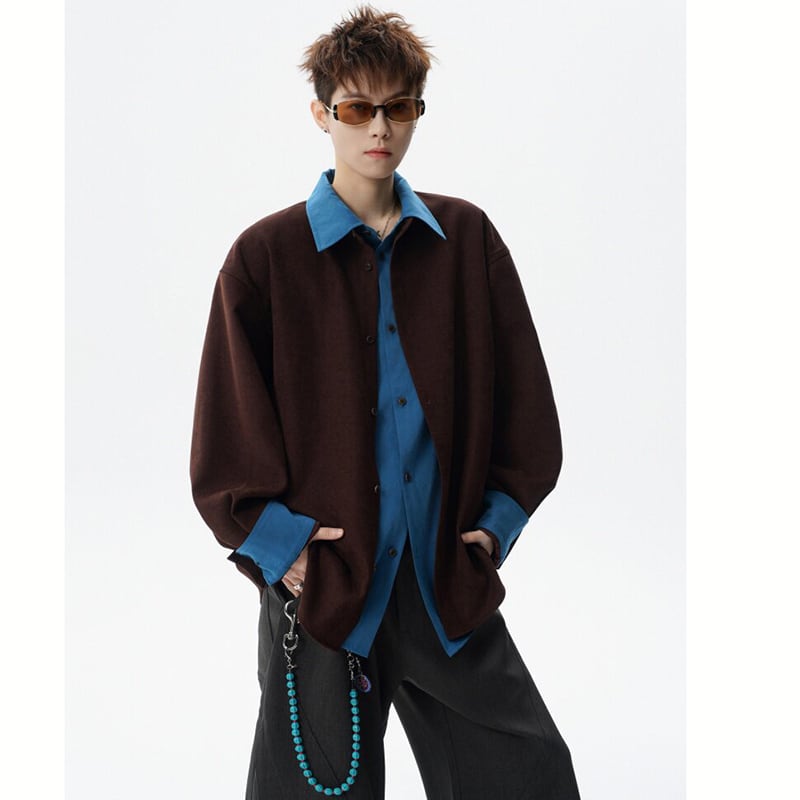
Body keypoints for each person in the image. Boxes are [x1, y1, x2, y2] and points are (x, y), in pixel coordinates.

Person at [190, 6, 581, 798]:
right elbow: (225, 439)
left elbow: (529, 416)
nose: (379, 128)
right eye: (357, 108)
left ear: (417, 111)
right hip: (326, 595)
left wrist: (493, 529)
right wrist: (284, 552)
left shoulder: (467, 241)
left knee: (529, 773)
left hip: (443, 586)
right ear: (321, 114)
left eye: (398, 106)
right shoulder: (265, 259)